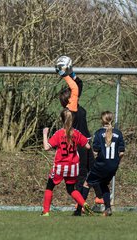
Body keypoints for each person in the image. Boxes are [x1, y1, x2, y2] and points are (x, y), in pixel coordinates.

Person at [56, 56, 103, 207]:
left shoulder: (74, 106)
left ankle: (100, 197)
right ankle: (79, 203)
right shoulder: (71, 109)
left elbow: (78, 84)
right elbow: (75, 88)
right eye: (72, 96)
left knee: (93, 169)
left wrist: (71, 72)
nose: (75, 95)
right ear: (69, 100)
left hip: (86, 142)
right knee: (82, 173)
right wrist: (63, 75)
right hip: (79, 144)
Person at [41, 109, 93, 216]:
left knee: (50, 186)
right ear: (72, 119)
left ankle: (46, 212)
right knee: (71, 189)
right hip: (73, 167)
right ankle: (84, 204)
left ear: (61, 119)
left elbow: (46, 147)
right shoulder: (76, 133)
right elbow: (88, 146)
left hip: (60, 166)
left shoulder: (59, 133)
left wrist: (45, 134)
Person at [75, 111, 125, 216]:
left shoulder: (98, 133)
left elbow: (96, 151)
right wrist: (116, 163)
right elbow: (121, 152)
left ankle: (79, 209)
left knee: (87, 183)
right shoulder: (119, 133)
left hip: (101, 164)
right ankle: (108, 209)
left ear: (102, 121)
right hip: (113, 165)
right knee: (103, 184)